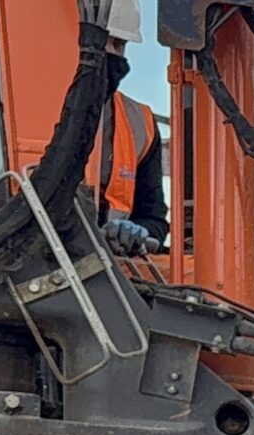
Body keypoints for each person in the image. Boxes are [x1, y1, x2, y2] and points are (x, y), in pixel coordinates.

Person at [95, 0, 167, 256]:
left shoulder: (140, 123)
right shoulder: (4, 103)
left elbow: (154, 219)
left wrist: (138, 232)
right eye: (104, 41)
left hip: (108, 270)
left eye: (119, 44)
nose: (112, 53)